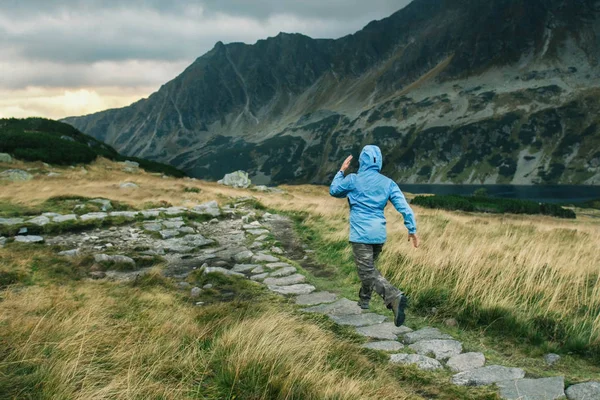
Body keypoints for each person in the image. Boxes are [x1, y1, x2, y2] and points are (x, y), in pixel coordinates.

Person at [329, 145, 418, 327]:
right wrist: (412, 229)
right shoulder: (388, 183)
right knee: (369, 270)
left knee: (367, 272)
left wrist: (341, 171)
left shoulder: (353, 179)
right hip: (378, 235)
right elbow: (404, 207)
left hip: (361, 235)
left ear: (362, 160)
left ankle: (394, 297)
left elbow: (334, 190)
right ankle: (364, 302)